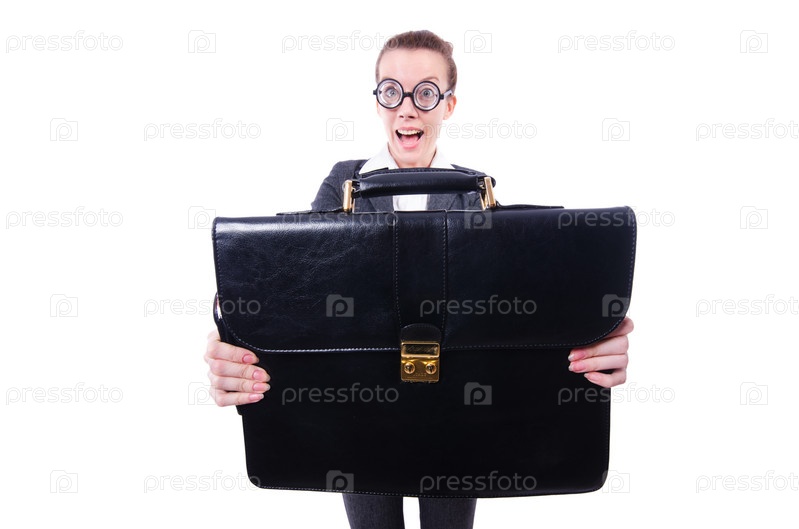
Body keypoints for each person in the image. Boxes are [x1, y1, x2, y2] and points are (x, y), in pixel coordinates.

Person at [204, 29, 634, 529]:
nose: (407, 109)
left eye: (425, 93)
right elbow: (298, 283)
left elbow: (508, 304)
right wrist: (233, 331)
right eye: (392, 91)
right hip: (358, 399)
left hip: (458, 403)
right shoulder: (343, 182)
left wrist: (585, 334)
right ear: (378, 101)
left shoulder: (476, 192)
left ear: (448, 105)